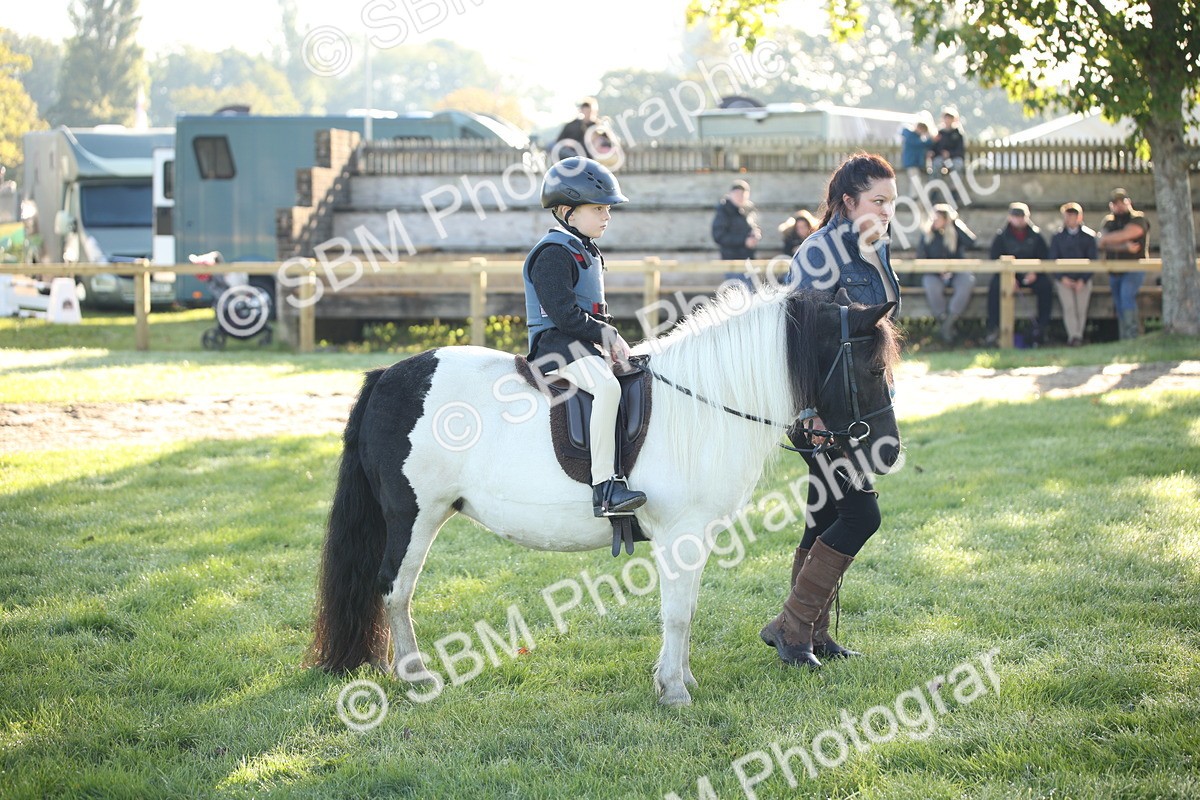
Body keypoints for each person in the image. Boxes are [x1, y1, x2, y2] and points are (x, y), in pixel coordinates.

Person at [765, 153, 900, 669]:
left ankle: (811, 633)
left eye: (891, 202)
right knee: (861, 514)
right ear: (848, 201)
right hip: (821, 415)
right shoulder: (818, 253)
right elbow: (799, 336)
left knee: (825, 513)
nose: (887, 211)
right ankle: (792, 630)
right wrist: (810, 413)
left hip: (856, 405)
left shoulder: (876, 247)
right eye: (877, 201)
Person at [523, 157, 646, 517]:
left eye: (608, 208)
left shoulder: (584, 250)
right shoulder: (553, 254)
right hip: (555, 346)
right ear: (567, 212)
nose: (606, 216)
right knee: (607, 388)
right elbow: (564, 316)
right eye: (598, 208)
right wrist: (607, 335)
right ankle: (605, 489)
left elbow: (592, 311)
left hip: (579, 343)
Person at [985, 202, 1052, 346]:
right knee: (995, 287)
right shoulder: (1001, 237)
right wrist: (1009, 278)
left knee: (1046, 286)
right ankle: (994, 328)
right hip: (1008, 276)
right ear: (1010, 218)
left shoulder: (1036, 236)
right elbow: (995, 260)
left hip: (1031, 276)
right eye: (1016, 216)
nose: (1019, 220)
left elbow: (1044, 258)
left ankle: (1042, 328)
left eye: (1022, 216)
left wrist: (1036, 273)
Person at [917, 203, 977, 343]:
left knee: (967, 280)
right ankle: (944, 320)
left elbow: (972, 242)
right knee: (930, 284)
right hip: (934, 274)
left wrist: (954, 223)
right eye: (933, 218)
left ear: (945, 219)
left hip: (956, 272)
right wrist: (937, 270)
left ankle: (949, 322)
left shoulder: (954, 232)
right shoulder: (927, 235)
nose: (934, 221)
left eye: (938, 218)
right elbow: (921, 257)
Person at [1097, 188, 1150, 340]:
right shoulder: (1109, 221)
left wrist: (1110, 240)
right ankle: (1124, 338)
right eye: (1116, 203)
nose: (1119, 206)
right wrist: (1123, 246)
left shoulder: (1138, 219)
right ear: (1111, 205)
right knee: (1119, 302)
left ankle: (1132, 335)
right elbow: (1100, 242)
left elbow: (1128, 234)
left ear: (1129, 202)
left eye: (1122, 202)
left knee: (1127, 297)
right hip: (1114, 270)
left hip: (1134, 268)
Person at [1048, 202, 1099, 347]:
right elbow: (1052, 259)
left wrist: (1083, 280)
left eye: (1073, 215)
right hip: (1063, 279)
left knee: (1081, 308)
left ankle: (1079, 335)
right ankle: (1074, 336)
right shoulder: (1057, 237)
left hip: (1083, 279)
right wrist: (1062, 278)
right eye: (1068, 215)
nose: (1070, 218)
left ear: (1079, 216)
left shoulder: (1089, 237)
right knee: (1069, 307)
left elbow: (1093, 260)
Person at [711, 179, 762, 260]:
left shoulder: (748, 210)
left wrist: (754, 234)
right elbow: (719, 236)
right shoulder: (724, 211)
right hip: (731, 260)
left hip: (748, 259)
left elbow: (753, 227)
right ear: (731, 194)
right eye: (737, 194)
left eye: (743, 194)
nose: (740, 197)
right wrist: (744, 241)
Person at [898, 115, 932, 194]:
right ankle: (914, 198)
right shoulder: (910, 135)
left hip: (915, 163)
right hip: (911, 163)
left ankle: (915, 197)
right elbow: (919, 143)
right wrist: (930, 140)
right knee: (915, 180)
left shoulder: (916, 137)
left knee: (916, 180)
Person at [931, 108, 966, 175]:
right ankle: (936, 184)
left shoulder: (958, 134)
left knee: (957, 166)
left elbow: (960, 150)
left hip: (954, 158)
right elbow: (935, 147)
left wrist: (949, 153)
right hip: (941, 158)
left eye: (950, 118)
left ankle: (955, 185)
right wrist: (940, 152)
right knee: (936, 164)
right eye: (946, 118)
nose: (947, 120)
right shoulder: (940, 133)